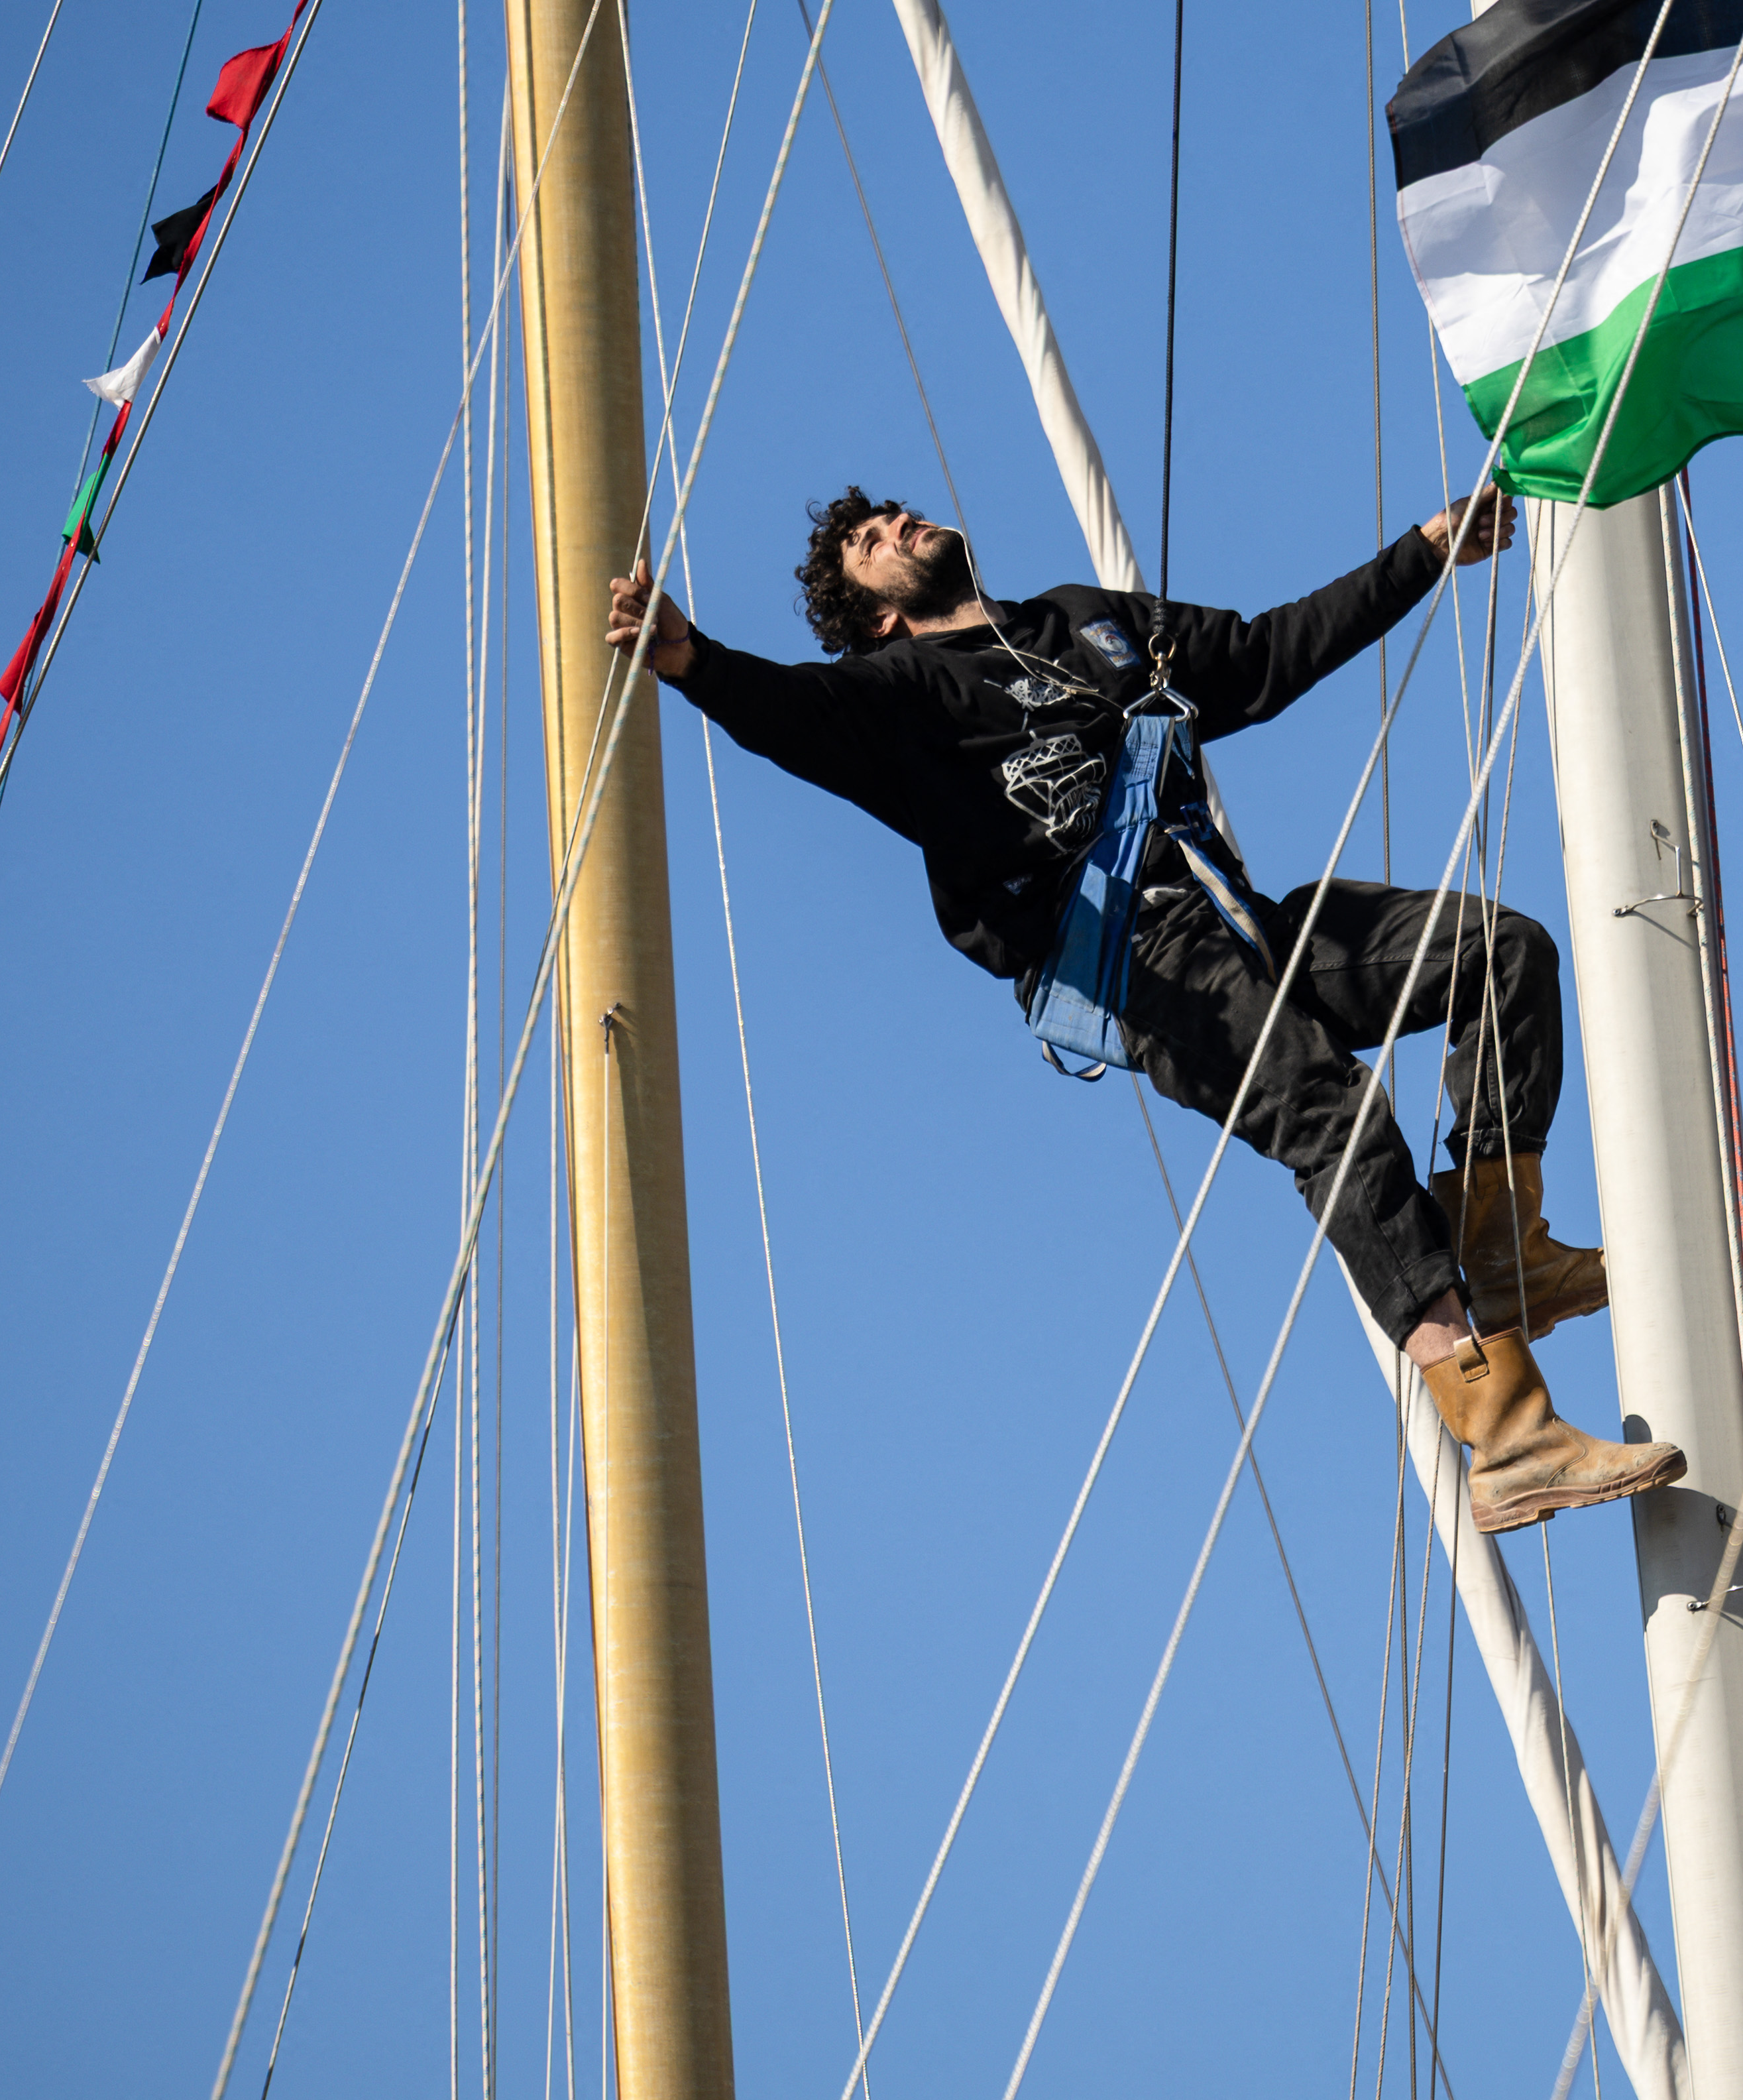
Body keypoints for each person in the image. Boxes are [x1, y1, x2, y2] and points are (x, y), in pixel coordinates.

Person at [604, 490, 1681, 1533]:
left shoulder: (1085, 622)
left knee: (1497, 952)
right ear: (879, 612)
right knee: (1330, 1112)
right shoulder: (901, 692)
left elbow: (1261, 661)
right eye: (871, 542)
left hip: (1240, 923)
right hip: (1140, 963)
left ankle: (1499, 1250)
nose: (896, 524)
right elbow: (800, 718)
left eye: (889, 513)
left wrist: (1424, 551)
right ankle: (1507, 1438)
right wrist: (696, 665)